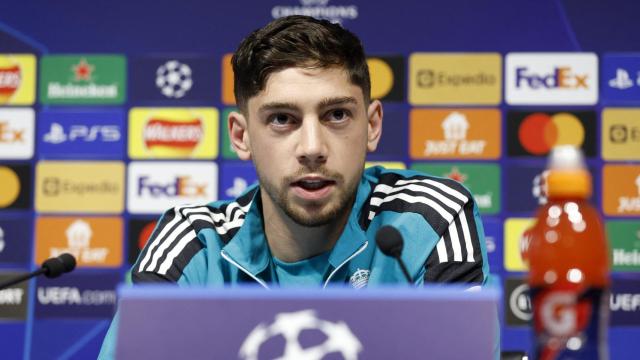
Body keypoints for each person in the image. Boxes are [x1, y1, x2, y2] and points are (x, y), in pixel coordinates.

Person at [99, 15, 490, 358]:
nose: (313, 149)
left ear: (371, 126)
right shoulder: (193, 245)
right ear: (241, 136)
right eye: (282, 119)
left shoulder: (432, 217)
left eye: (337, 115)